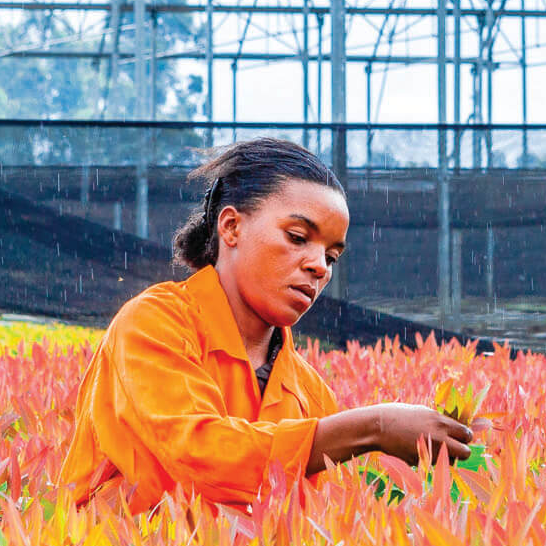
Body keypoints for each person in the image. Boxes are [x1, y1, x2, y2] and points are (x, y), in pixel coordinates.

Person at [60, 138, 481, 511]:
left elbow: (308, 520)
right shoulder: (155, 324)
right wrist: (374, 428)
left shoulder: (309, 390)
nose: (319, 266)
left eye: (332, 257)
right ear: (231, 227)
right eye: (298, 237)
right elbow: (199, 457)